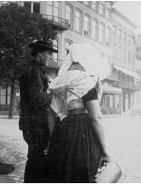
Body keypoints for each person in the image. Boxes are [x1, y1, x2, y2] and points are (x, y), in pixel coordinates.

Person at [47, 43, 110, 182]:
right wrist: (105, 149)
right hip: (82, 131)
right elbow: (96, 118)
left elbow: (51, 115)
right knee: (82, 172)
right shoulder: (85, 80)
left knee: (62, 173)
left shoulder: (58, 80)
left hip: (61, 131)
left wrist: (52, 141)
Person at [18, 40, 58, 182]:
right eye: (49, 54)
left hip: (34, 126)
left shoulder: (34, 70)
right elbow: (38, 101)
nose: (51, 57)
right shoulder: (34, 72)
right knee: (37, 162)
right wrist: (53, 91)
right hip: (36, 128)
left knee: (36, 161)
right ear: (40, 54)